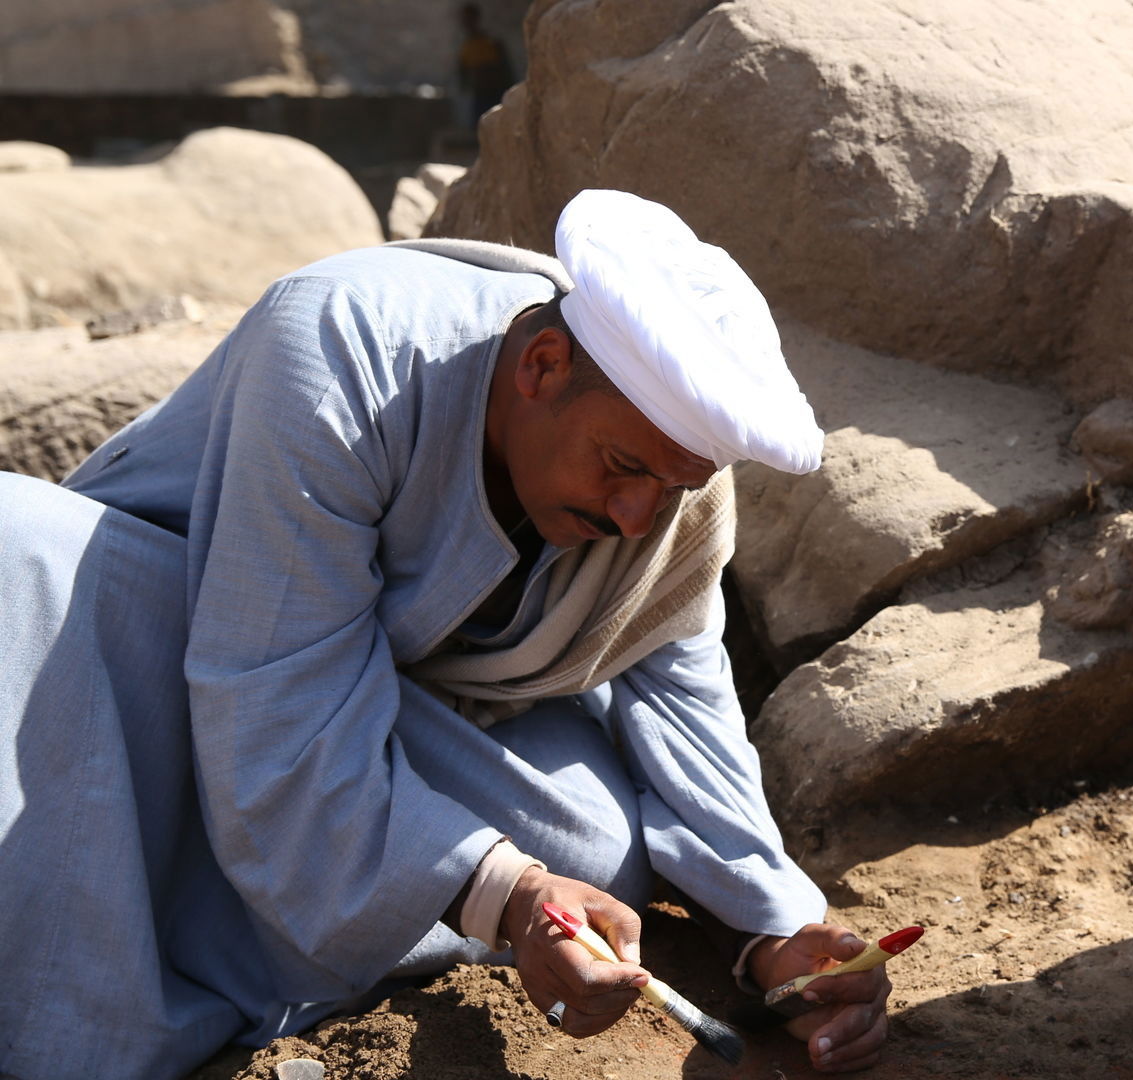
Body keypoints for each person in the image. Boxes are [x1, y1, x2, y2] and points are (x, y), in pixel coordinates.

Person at [0, 190, 889, 1079]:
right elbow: (271, 696)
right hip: (148, 648)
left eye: (672, 488)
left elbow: (681, 689)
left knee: (592, 845)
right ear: (541, 365)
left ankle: (354, 883)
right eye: (621, 469)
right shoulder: (343, 348)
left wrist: (775, 927)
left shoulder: (671, 474)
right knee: (18, 551)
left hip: (374, 708)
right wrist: (503, 889)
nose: (635, 515)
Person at [455, 2, 514, 129]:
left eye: (469, 18)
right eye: (464, 19)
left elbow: (505, 70)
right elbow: (463, 73)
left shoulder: (491, 43)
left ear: (476, 18)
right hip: (478, 96)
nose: (466, 22)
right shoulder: (466, 46)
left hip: (495, 94)